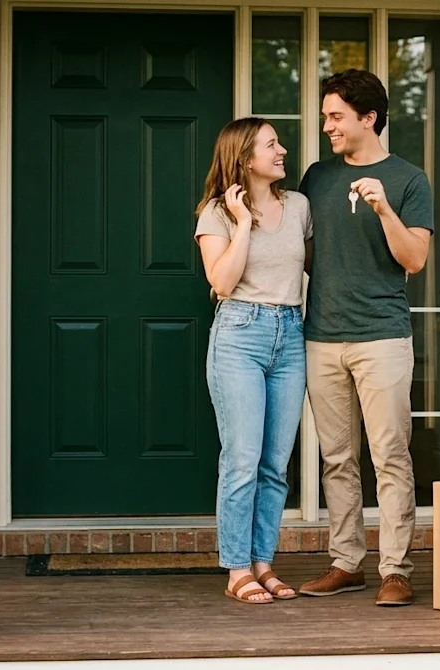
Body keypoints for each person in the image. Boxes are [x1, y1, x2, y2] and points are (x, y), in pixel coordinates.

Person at [296, 69, 433, 607]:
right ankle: (346, 561)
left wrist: (382, 207)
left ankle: (395, 570)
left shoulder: (407, 180)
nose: (327, 125)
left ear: (368, 117)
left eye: (336, 117)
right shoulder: (316, 177)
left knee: (391, 455)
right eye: (326, 116)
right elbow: (302, 254)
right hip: (321, 336)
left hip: (382, 337)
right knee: (337, 457)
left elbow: (414, 259)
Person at [195, 117, 313, 605]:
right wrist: (243, 223)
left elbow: (314, 266)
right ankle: (237, 568)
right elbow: (222, 283)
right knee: (241, 459)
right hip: (240, 334)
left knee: (274, 464)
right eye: (271, 144)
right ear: (244, 158)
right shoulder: (215, 215)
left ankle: (263, 561)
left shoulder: (300, 206)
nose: (282, 150)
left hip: (291, 335)